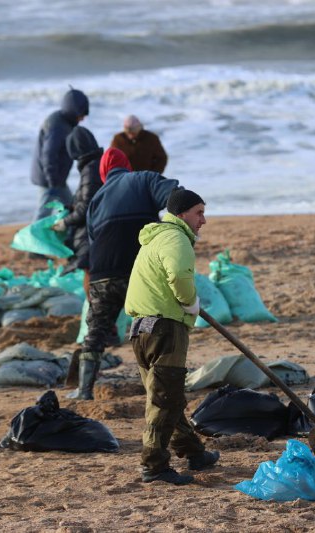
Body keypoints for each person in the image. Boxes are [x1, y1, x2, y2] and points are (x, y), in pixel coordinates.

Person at [125, 188, 219, 485]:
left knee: (167, 395)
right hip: (165, 328)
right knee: (165, 399)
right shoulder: (176, 238)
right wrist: (190, 301)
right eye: (199, 212)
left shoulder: (155, 239)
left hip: (141, 328)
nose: (203, 220)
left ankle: (194, 452)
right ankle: (154, 466)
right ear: (181, 215)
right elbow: (178, 274)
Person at [69, 147, 178, 401]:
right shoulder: (144, 179)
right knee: (150, 324)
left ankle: (84, 390)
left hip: (101, 275)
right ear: (127, 166)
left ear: (104, 173)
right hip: (137, 273)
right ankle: (158, 384)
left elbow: (91, 240)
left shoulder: (96, 199)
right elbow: (175, 196)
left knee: (95, 332)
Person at [51, 125, 103, 296]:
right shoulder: (96, 164)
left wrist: (65, 222)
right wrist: (69, 208)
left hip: (92, 233)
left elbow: (87, 206)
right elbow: (87, 199)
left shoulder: (90, 169)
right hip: (99, 229)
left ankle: (96, 316)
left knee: (91, 275)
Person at [30, 87, 89, 221]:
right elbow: (48, 154)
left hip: (56, 178)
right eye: (82, 114)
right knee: (44, 212)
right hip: (49, 179)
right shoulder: (57, 125)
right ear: (74, 111)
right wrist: (52, 182)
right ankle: (31, 239)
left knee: (68, 207)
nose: (83, 119)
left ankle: (66, 237)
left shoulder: (64, 122)